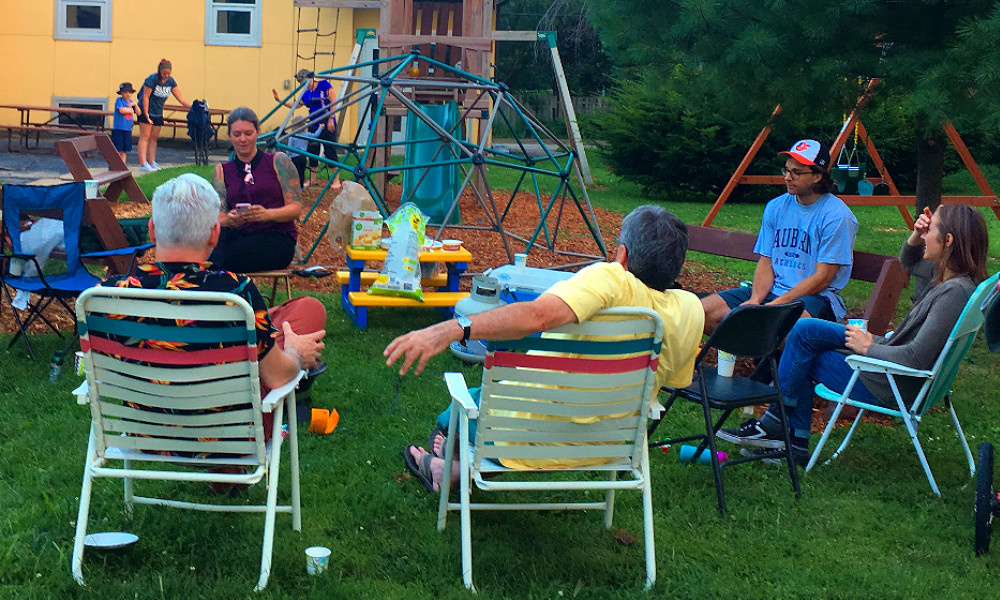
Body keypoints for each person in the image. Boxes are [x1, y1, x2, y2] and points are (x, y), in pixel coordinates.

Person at [385, 205, 706, 492]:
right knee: (499, 399)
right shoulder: (690, 310)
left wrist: (455, 327)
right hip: (610, 446)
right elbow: (673, 382)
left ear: (622, 254)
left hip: (523, 437)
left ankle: (449, 464)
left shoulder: (612, 280)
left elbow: (539, 314)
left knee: (463, 408)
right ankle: (452, 466)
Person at [716, 205, 989, 463]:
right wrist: (916, 235)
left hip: (887, 381)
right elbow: (908, 261)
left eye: (931, 230)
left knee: (802, 351)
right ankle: (784, 432)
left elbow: (915, 357)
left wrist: (868, 347)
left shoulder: (952, 293)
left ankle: (780, 430)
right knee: (803, 329)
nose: (926, 232)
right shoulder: (950, 277)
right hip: (886, 364)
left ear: (948, 240)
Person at [701, 139, 859, 334]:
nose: (788, 177)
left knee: (784, 327)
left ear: (817, 176)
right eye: (786, 170)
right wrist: (756, 300)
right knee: (701, 313)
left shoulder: (837, 217)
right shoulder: (776, 207)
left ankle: (769, 362)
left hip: (815, 298)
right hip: (772, 292)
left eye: (797, 172)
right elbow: (767, 260)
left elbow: (822, 278)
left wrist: (775, 305)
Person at [208, 107, 302, 273]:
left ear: (257, 132)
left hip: (275, 237)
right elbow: (219, 218)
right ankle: (214, 278)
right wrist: (230, 220)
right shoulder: (221, 171)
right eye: (237, 135)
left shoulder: (278, 161)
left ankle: (211, 279)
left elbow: (295, 208)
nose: (243, 139)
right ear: (230, 136)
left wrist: (267, 214)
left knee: (218, 256)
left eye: (248, 133)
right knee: (211, 239)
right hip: (239, 234)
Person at [272, 69, 342, 192]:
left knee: (330, 151)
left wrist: (331, 118)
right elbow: (296, 105)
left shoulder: (323, 85)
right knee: (312, 151)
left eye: (303, 81)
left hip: (327, 122)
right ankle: (312, 179)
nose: (302, 85)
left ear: (310, 78)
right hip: (314, 123)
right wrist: (280, 100)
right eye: (300, 83)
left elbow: (333, 101)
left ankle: (336, 180)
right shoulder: (306, 93)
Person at [137, 58, 191, 172]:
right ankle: (143, 163)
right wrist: (146, 113)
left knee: (154, 138)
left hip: (158, 111)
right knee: (145, 136)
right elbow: (145, 97)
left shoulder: (171, 82)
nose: (166, 75)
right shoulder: (152, 79)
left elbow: (180, 98)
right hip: (146, 110)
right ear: (159, 71)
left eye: (168, 73)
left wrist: (193, 107)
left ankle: (152, 162)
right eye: (164, 73)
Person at [111, 82, 138, 165]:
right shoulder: (119, 101)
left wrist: (135, 105)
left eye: (130, 92)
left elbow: (139, 113)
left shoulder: (131, 102)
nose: (128, 94)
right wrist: (131, 110)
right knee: (118, 149)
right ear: (121, 93)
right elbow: (121, 110)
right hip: (118, 129)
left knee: (124, 150)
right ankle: (115, 164)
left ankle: (123, 165)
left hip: (127, 129)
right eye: (125, 92)